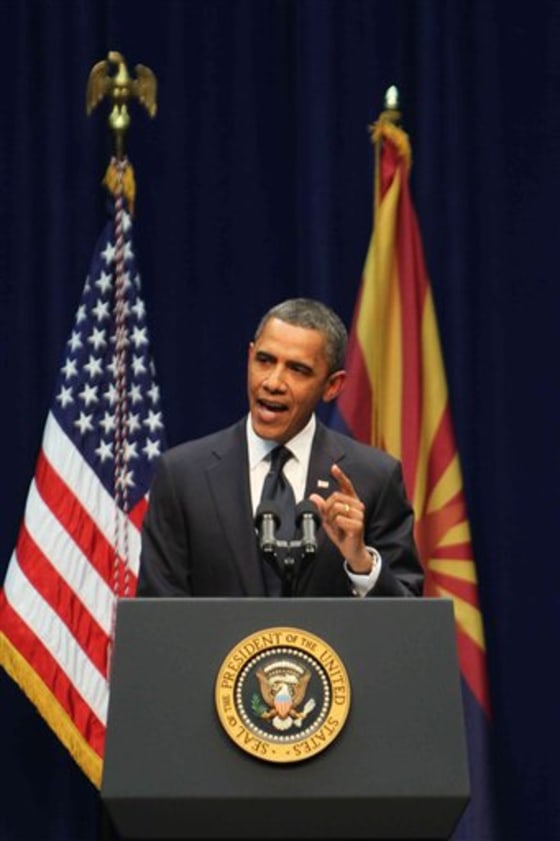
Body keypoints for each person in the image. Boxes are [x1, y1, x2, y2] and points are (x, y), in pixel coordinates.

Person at [137, 298, 423, 598]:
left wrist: (361, 563)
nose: (273, 382)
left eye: (298, 370)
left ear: (333, 386)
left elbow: (406, 623)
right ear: (249, 357)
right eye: (265, 360)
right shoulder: (183, 476)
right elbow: (160, 616)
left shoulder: (373, 478)